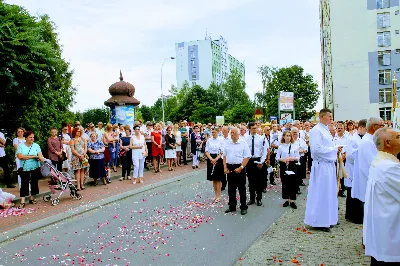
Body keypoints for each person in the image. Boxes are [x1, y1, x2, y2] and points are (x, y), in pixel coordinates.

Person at [363, 127, 400, 265]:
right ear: (388, 143)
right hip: (390, 232)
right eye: (398, 137)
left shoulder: (382, 162)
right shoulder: (388, 167)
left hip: (385, 229)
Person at [304, 109, 341, 232]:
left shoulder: (325, 129)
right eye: (329, 116)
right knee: (322, 193)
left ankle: (328, 219)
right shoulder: (316, 131)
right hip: (322, 166)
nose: (331, 119)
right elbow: (316, 149)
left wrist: (335, 149)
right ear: (321, 117)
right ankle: (319, 221)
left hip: (328, 164)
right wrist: (334, 150)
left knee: (329, 193)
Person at [352, 117, 383, 223]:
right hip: (369, 179)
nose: (383, 128)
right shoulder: (367, 142)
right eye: (381, 125)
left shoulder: (370, 139)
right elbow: (374, 163)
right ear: (374, 127)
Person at [223, 127, 251, 215]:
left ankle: (243, 207)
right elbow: (224, 156)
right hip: (230, 168)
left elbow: (247, 157)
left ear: (238, 134)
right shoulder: (227, 143)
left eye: (234, 133)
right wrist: (225, 167)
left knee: (241, 188)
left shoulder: (243, 143)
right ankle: (232, 206)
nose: (231, 134)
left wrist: (241, 167)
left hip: (240, 168)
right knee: (231, 189)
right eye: (231, 132)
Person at [16, 131, 45, 208]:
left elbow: (40, 155)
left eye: (33, 137)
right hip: (25, 168)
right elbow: (20, 156)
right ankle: (22, 201)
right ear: (26, 138)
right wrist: (33, 156)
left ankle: (32, 198)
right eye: (30, 137)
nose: (32, 139)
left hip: (35, 167)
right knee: (24, 184)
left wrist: (41, 158)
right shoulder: (21, 146)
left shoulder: (36, 145)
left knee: (34, 182)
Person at [245, 122, 269, 206]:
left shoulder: (261, 138)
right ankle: (252, 198)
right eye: (253, 128)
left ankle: (259, 198)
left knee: (259, 180)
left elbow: (264, 151)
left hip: (258, 160)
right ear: (249, 129)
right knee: (251, 180)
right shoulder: (245, 138)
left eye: (256, 128)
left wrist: (261, 162)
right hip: (249, 161)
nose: (255, 130)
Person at [276, 130, 300, 209]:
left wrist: (290, 158)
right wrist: (283, 160)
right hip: (284, 165)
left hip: (292, 165)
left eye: (289, 136)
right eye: (287, 136)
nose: (288, 137)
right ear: (283, 137)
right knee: (285, 182)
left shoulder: (294, 146)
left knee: (293, 183)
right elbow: (277, 157)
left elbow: (298, 157)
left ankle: (292, 200)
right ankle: (286, 199)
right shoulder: (281, 146)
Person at [205, 126, 224, 203]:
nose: (213, 134)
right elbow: (206, 151)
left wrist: (216, 159)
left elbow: (222, 151)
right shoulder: (209, 140)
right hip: (211, 158)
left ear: (218, 132)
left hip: (218, 159)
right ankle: (215, 194)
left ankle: (219, 196)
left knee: (218, 179)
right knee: (213, 178)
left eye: (215, 132)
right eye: (212, 132)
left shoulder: (221, 140)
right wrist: (211, 159)